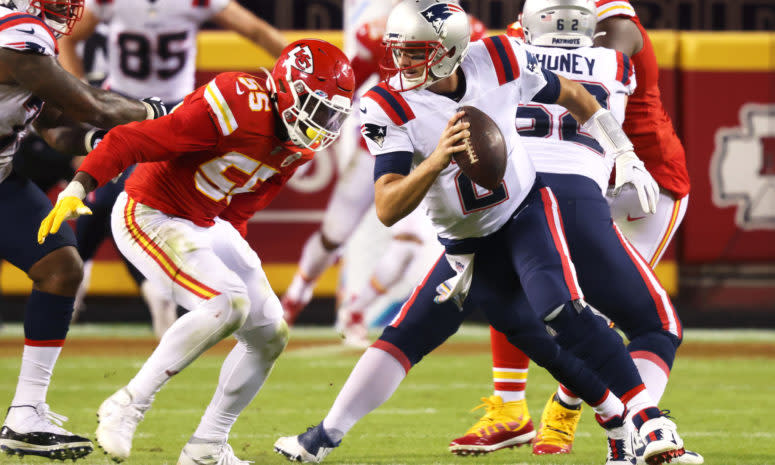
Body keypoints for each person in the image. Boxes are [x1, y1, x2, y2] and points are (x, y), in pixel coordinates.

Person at [273, 1, 687, 464]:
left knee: (562, 312)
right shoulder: (387, 105)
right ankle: (323, 437)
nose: (401, 63)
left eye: (414, 53)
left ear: (447, 51)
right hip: (468, 247)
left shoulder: (498, 58)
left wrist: (622, 150)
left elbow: (574, 94)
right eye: (399, 52)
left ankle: (648, 421)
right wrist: (435, 160)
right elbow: (387, 207)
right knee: (414, 333)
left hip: (528, 211)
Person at [38, 39, 355, 464]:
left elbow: (240, 206)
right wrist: (81, 184)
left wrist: (229, 251)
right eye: (315, 107)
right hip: (149, 211)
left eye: (331, 113)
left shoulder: (295, 144)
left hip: (205, 222)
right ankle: (127, 405)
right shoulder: (238, 102)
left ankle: (207, 446)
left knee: (269, 331)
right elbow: (130, 139)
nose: (322, 122)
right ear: (285, 87)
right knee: (226, 303)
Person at [450, 1, 699, 463]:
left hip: (642, 183)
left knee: (595, 311)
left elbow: (615, 40)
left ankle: (581, 412)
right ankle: (516, 406)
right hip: (574, 178)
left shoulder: (604, 25)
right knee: (561, 298)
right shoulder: (553, 32)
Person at [56, 0, 288, 338]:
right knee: (104, 201)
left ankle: (153, 289)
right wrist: (81, 102)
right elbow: (69, 38)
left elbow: (256, 30)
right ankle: (95, 282)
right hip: (121, 105)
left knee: (151, 203)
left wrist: (296, 76)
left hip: (179, 112)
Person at [0, 0, 168, 460]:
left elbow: (57, 128)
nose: (70, 5)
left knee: (60, 266)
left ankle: (26, 413)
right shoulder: (16, 34)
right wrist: (161, 113)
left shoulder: (29, 38)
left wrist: (101, 143)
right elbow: (92, 103)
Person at [282, 4, 488, 347]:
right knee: (334, 234)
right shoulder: (384, 31)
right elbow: (346, 86)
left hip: (429, 151)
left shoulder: (470, 36)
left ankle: (356, 311)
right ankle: (293, 300)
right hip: (379, 147)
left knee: (409, 248)